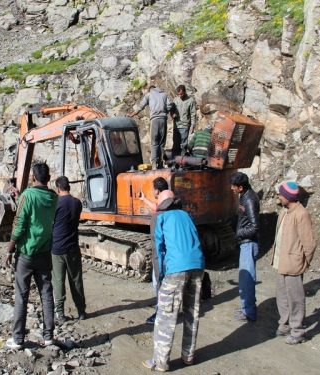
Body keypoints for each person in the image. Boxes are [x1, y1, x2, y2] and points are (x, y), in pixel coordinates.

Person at [142, 189, 205, 371]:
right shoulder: (187, 215)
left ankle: (160, 362)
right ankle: (188, 356)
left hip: (176, 269)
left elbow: (159, 251)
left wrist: (160, 278)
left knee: (165, 316)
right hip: (197, 266)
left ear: (162, 204)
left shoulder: (161, 218)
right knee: (192, 312)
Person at [5, 162, 59, 350]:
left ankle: (18, 339)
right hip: (45, 252)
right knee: (46, 293)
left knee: (21, 295)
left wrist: (10, 249)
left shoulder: (28, 196)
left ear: (33, 178)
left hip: (26, 254)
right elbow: (40, 213)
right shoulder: (53, 197)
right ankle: (49, 337)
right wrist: (21, 198)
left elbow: (20, 224)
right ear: (49, 179)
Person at [271, 181, 316, 344]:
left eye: (281, 195)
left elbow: (309, 243)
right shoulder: (285, 211)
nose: (278, 197)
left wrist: (303, 262)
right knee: (282, 296)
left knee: (295, 299)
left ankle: (298, 331)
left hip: (294, 264)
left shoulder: (301, 214)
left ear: (288, 197)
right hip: (281, 262)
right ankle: (285, 325)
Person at [51, 176, 86, 324]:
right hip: (72, 247)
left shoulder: (55, 204)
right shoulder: (77, 203)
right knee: (76, 279)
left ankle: (60, 313)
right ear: (69, 187)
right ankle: (81, 311)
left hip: (57, 249)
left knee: (58, 281)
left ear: (58, 188)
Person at [139, 177, 174, 324]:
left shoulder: (157, 217)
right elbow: (156, 207)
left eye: (153, 188)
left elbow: (157, 244)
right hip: (174, 254)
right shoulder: (174, 208)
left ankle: (161, 312)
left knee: (158, 282)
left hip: (163, 255)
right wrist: (144, 199)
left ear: (157, 191)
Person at [230, 172, 260, 322]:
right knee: (244, 278)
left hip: (248, 243)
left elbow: (255, 227)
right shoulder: (244, 196)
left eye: (234, 186)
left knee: (247, 279)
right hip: (245, 242)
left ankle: (249, 313)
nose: (231, 188)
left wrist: (238, 234)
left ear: (240, 187)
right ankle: (246, 308)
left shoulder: (249, 200)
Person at [128, 84, 174, 169]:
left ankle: (154, 164)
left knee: (154, 142)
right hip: (163, 120)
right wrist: (165, 111)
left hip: (155, 120)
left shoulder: (149, 95)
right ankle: (160, 164)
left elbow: (141, 106)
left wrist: (133, 114)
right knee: (161, 143)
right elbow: (170, 104)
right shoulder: (164, 94)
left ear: (150, 89)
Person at [172, 85, 197, 156]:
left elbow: (193, 114)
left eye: (181, 94)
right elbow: (171, 110)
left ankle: (182, 161)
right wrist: (172, 114)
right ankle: (174, 161)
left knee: (183, 145)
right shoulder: (175, 100)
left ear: (184, 92)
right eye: (178, 94)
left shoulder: (191, 100)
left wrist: (192, 126)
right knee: (175, 144)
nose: (180, 96)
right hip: (176, 125)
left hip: (185, 126)